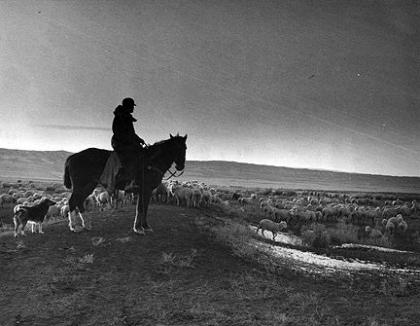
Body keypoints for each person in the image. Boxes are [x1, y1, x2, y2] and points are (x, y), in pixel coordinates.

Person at [111, 97, 146, 191]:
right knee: (133, 157)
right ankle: (128, 181)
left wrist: (139, 140)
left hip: (125, 141)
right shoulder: (121, 116)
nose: (133, 108)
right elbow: (121, 133)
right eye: (132, 106)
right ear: (128, 106)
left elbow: (131, 133)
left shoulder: (125, 116)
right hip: (120, 142)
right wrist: (133, 141)